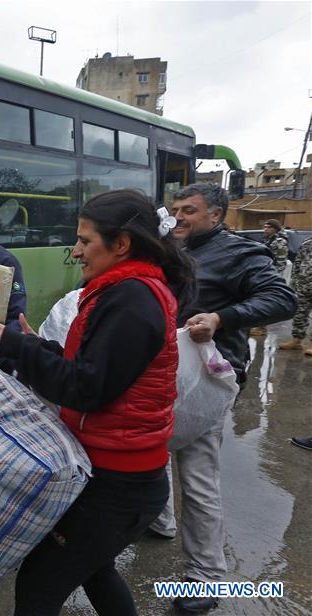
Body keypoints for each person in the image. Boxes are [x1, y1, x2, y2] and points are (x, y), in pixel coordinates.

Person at [0, 189, 193, 615]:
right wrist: (27, 344)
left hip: (120, 483)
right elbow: (93, 369)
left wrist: (19, 348)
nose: (75, 251)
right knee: (93, 570)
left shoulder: (132, 299)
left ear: (121, 244)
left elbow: (87, 388)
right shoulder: (124, 291)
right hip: (114, 472)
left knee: (39, 585)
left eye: (85, 241)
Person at [150, 183, 296, 614]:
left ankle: (206, 576)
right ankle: (160, 520)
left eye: (190, 211)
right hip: (163, 371)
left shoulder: (239, 253)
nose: (179, 217)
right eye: (175, 209)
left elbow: (281, 299)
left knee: (196, 472)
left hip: (207, 378)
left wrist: (220, 317)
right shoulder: (170, 249)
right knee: (153, 446)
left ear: (216, 215)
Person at [249, 219, 291, 336]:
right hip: (263, 274)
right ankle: (261, 326)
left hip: (270, 276)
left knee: (265, 301)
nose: (265, 229)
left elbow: (281, 261)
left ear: (275, 229)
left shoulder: (279, 241)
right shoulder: (269, 240)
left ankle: (262, 327)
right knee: (260, 300)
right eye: (265, 227)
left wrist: (272, 276)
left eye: (268, 227)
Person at [279, 235, 312, 355]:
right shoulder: (308, 242)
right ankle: (296, 340)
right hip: (303, 285)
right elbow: (298, 261)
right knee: (300, 314)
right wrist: (295, 280)